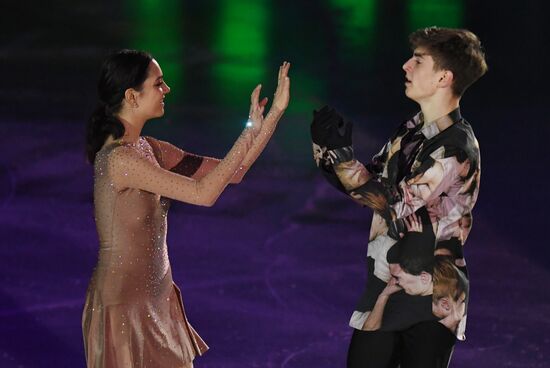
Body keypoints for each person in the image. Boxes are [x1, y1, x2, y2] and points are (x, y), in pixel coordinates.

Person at [82, 49, 290, 368]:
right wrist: (249, 131)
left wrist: (273, 114)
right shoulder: (119, 160)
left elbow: (233, 173)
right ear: (131, 96)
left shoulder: (151, 148)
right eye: (158, 83)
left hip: (158, 294)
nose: (167, 89)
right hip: (125, 306)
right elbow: (203, 194)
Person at [311, 26, 487, 368]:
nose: (406, 66)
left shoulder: (455, 148)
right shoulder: (412, 130)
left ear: (443, 78)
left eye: (418, 61)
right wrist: (326, 149)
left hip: (431, 301)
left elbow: (392, 203)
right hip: (387, 288)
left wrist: (342, 157)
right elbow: (367, 187)